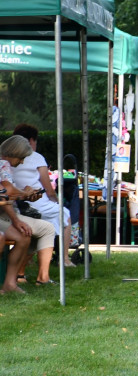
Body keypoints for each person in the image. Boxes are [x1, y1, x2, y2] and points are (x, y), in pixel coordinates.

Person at [10, 123, 74, 267]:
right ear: (31, 140)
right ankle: (64, 259)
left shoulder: (7, 159)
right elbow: (49, 190)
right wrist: (57, 202)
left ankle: (30, 261)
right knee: (65, 214)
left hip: (15, 206)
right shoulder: (36, 157)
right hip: (35, 203)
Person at [1, 136, 57, 292]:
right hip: (4, 216)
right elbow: (7, 193)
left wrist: (25, 194)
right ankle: (21, 279)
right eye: (22, 158)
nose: (23, 162)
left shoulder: (6, 165)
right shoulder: (3, 163)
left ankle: (14, 280)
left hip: (7, 214)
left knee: (31, 232)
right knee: (31, 232)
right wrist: (24, 193)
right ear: (14, 153)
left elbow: (7, 195)